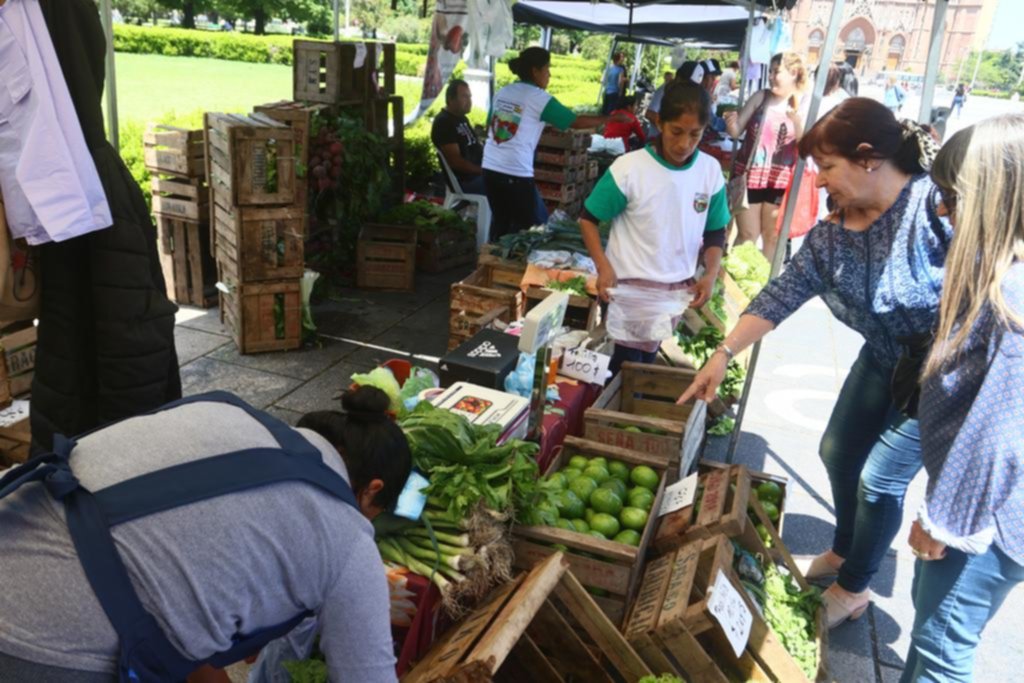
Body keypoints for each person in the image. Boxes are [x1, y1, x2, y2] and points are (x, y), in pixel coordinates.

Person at [678, 98, 948, 629]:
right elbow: (782, 294)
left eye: (827, 167)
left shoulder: (934, 208)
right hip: (883, 359)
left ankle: (854, 589)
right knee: (837, 451)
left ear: (869, 159)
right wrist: (722, 353)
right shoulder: (831, 235)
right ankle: (845, 550)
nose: (819, 183)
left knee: (879, 481)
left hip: (940, 372)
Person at [0, 386, 411, 682]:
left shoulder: (232, 412)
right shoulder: (349, 540)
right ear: (373, 489)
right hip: (36, 637)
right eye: (375, 514)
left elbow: (168, 591)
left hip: (14, 519)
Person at [901, 115, 1024, 682]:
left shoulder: (1013, 298)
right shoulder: (999, 277)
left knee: (941, 648)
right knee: (933, 639)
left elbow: (1000, 430)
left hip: (987, 517)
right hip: (982, 503)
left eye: (951, 197)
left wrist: (946, 519)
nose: (943, 212)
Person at [580, 82, 731, 377]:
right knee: (623, 367)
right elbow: (588, 218)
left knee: (643, 368)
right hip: (627, 288)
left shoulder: (710, 172)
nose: (684, 144)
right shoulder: (629, 168)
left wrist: (711, 274)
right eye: (676, 131)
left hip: (674, 289)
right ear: (659, 122)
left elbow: (715, 231)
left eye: (695, 135)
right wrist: (603, 266)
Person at [483, 47, 623, 239]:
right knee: (532, 229)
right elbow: (575, 121)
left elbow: (490, 125)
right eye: (547, 69)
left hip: (490, 167)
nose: (549, 75)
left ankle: (489, 262)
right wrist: (610, 119)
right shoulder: (538, 98)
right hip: (515, 171)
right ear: (535, 71)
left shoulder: (504, 91)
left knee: (501, 222)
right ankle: (513, 266)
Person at [726, 51, 808, 260]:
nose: (770, 76)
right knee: (748, 235)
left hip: (780, 182)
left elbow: (806, 148)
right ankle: (730, 287)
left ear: (794, 73)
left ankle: (763, 286)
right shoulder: (761, 98)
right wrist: (730, 122)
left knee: (771, 237)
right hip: (750, 177)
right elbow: (736, 131)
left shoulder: (803, 104)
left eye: (776, 72)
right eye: (770, 72)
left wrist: (798, 124)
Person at [432, 79, 485, 195]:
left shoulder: (462, 118)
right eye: (464, 97)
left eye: (470, 97)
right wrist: (483, 171)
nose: (470, 101)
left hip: (477, 175)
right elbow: (455, 162)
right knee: (508, 184)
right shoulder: (444, 123)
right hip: (466, 182)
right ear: (451, 99)